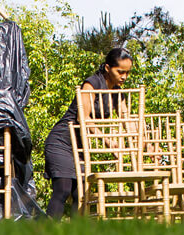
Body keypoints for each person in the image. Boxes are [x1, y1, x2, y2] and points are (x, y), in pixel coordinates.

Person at [41, 47, 135, 218]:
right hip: (62, 141)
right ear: (107, 68)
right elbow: (82, 117)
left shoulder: (116, 93)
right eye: (120, 72)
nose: (124, 77)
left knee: (81, 195)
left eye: (127, 73)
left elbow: (127, 120)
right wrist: (107, 141)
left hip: (80, 146)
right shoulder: (91, 84)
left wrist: (144, 145)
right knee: (63, 189)